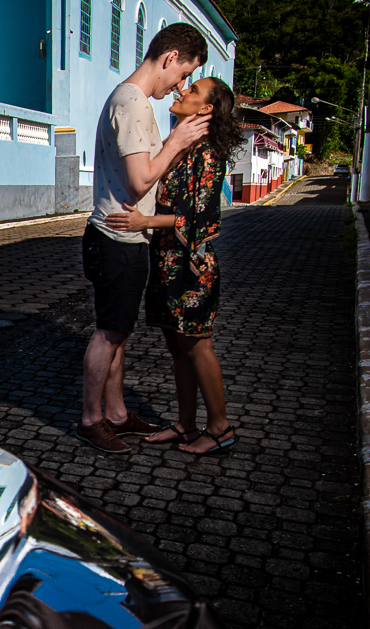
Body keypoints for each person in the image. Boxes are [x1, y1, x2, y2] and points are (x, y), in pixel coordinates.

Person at [75, 23, 212, 454]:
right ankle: (91, 419)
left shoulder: (130, 100)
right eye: (184, 73)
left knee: (119, 332)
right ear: (170, 58)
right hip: (116, 237)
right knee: (108, 334)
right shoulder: (132, 103)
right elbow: (138, 183)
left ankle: (115, 413)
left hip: (124, 238)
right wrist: (175, 141)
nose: (181, 85)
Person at [104, 77, 242, 455]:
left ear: (206, 110)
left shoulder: (208, 155)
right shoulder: (182, 147)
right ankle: (185, 425)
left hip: (192, 268)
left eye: (192, 90)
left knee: (199, 348)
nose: (182, 91)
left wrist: (144, 223)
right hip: (166, 263)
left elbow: (204, 219)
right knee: (178, 350)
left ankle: (220, 428)